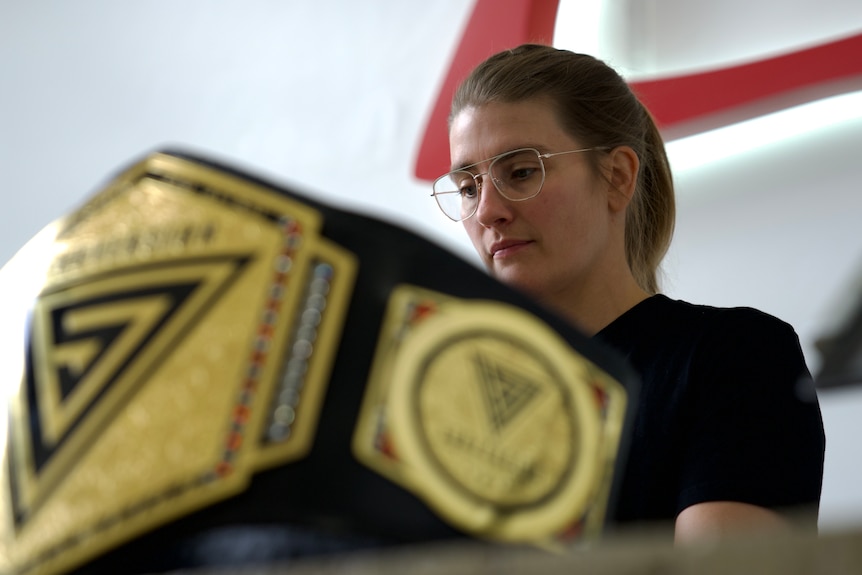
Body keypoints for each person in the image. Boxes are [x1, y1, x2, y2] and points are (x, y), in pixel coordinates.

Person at [431, 44, 825, 542]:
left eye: (522, 172)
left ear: (617, 177)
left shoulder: (732, 358)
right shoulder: (445, 401)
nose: (487, 210)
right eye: (467, 187)